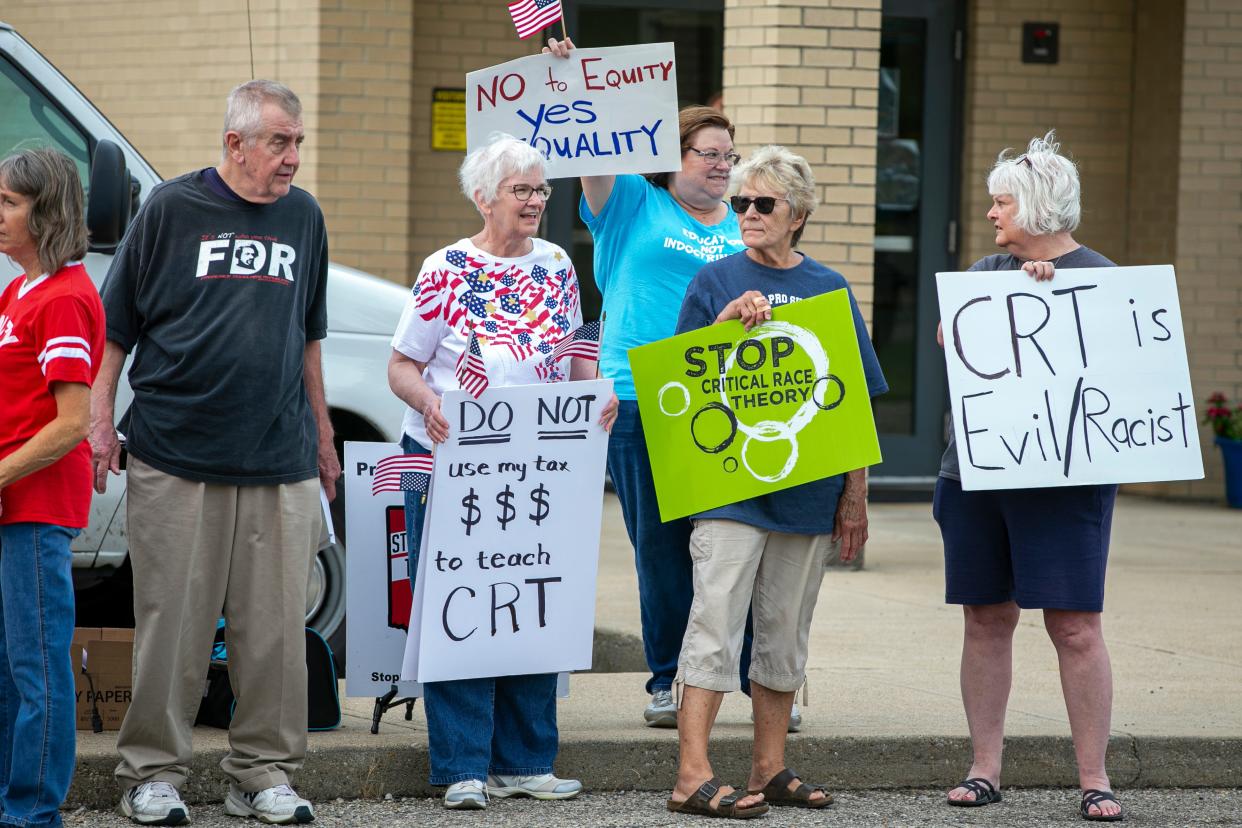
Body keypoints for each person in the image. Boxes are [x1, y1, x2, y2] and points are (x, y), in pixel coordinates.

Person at [90, 80, 339, 826]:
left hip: (280, 458)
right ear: (235, 143)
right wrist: (101, 420)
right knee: (175, 626)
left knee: (274, 635)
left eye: (297, 142)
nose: (292, 156)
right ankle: (151, 774)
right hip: (176, 454)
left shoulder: (304, 218)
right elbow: (116, 328)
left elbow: (310, 337)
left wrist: (324, 437)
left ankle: (262, 772)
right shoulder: (170, 208)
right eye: (278, 142)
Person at [543, 37, 789, 730]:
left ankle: (749, 680)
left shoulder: (749, 226)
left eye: (727, 155)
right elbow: (589, 146)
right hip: (638, 398)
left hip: (726, 404)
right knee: (661, 545)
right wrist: (571, 75)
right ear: (670, 155)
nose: (719, 165)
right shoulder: (630, 205)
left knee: (734, 545)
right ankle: (666, 679)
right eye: (705, 152)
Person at [388, 134, 617, 811]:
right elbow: (402, 366)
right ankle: (461, 766)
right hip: (448, 465)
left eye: (542, 190)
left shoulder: (556, 265)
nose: (537, 201)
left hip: (536, 468)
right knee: (461, 606)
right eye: (523, 189)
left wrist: (596, 394)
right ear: (484, 197)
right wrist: (429, 401)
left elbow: (576, 352)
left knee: (531, 603)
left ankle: (525, 761)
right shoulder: (445, 268)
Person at [665, 146, 886, 818]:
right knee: (715, 623)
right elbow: (681, 378)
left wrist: (855, 495)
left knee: (786, 631)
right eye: (740, 203)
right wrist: (726, 321)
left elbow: (849, 399)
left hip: (806, 493)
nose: (749, 214)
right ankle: (690, 775)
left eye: (764, 204)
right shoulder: (714, 280)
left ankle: (770, 767)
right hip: (731, 490)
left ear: (799, 215)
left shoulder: (829, 288)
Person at [935, 131, 1124, 822]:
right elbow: (948, 344)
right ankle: (985, 768)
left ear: (1039, 206)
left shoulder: (1105, 282)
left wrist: (1051, 306)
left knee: (1075, 626)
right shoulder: (986, 273)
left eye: (1002, 202)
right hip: (976, 476)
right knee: (986, 617)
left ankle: (1094, 778)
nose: (991, 215)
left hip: (1065, 486)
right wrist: (1014, 302)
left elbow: (1125, 382)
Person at [0, 148, 103, 828]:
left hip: (34, 508)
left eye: (9, 202)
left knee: (37, 670)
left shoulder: (66, 298)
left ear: (47, 210)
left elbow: (73, 423)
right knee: (12, 671)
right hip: (13, 504)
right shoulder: (17, 291)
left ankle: (34, 814)